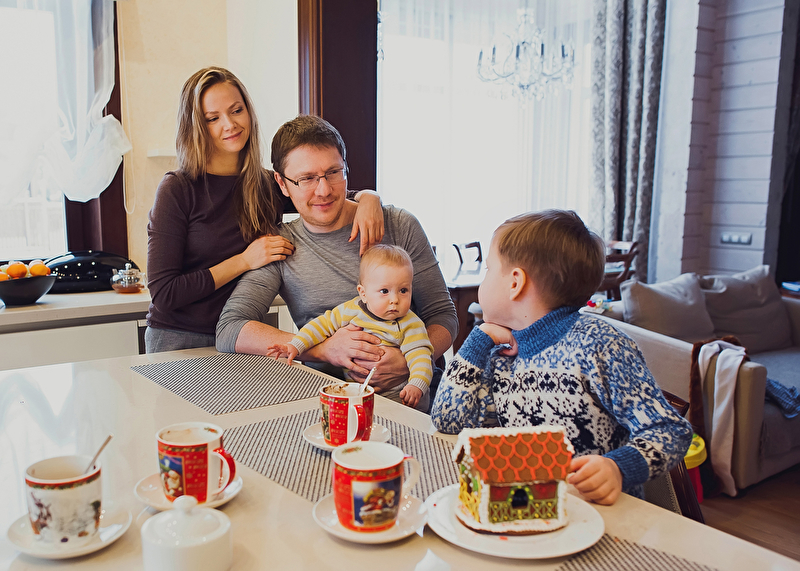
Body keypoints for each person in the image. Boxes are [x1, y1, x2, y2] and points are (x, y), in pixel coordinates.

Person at [430, 210, 692, 505]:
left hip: (597, 514)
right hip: (529, 508)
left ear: (515, 283)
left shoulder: (600, 345)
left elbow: (670, 430)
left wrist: (619, 468)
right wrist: (478, 340)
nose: (483, 280)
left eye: (489, 269)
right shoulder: (496, 353)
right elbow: (448, 420)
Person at [216, 115, 457, 411]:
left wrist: (411, 360)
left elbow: (444, 315)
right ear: (282, 183)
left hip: (413, 402)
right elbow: (230, 329)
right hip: (330, 402)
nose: (324, 190)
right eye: (306, 178)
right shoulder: (279, 245)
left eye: (333, 172)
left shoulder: (399, 225)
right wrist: (324, 350)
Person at [145, 67, 383, 352]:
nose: (230, 124)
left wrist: (370, 198)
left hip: (246, 335)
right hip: (180, 338)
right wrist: (244, 261)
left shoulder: (266, 185)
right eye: (213, 118)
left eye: (236, 110)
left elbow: (321, 192)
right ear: (196, 126)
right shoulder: (177, 188)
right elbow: (164, 293)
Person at [269, 244, 434, 408]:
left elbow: (421, 357)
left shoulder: (410, 324)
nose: (395, 300)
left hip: (398, 400)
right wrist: (296, 345)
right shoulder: (350, 310)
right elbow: (320, 326)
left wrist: (416, 384)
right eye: (385, 291)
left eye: (403, 290)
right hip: (358, 396)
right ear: (363, 293)